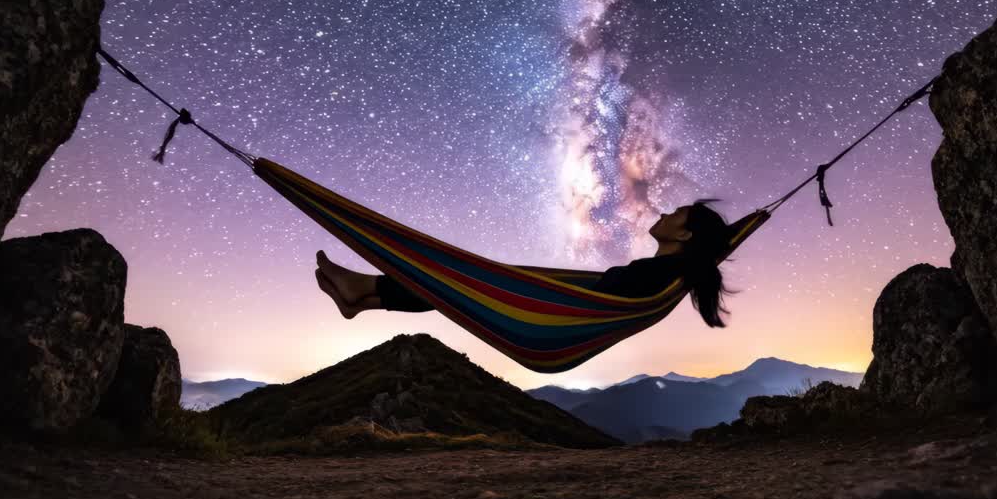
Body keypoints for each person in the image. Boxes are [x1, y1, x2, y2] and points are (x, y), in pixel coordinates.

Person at [314, 199, 737, 328]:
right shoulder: (666, 271)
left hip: (564, 312)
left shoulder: (664, 272)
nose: (663, 213)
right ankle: (366, 298)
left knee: (467, 285)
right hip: (560, 306)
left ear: (684, 236)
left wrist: (544, 295)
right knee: (464, 289)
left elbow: (606, 296)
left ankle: (366, 288)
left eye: (675, 214)